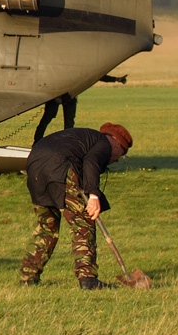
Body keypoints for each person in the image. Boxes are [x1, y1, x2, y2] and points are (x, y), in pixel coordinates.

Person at [18, 122, 132, 289]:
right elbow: (91, 162)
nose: (116, 159)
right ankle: (88, 279)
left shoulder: (83, 138)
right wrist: (93, 195)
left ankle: (28, 278)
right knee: (83, 224)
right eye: (122, 152)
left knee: (46, 227)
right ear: (116, 142)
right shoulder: (103, 143)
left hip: (35, 168)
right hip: (61, 167)